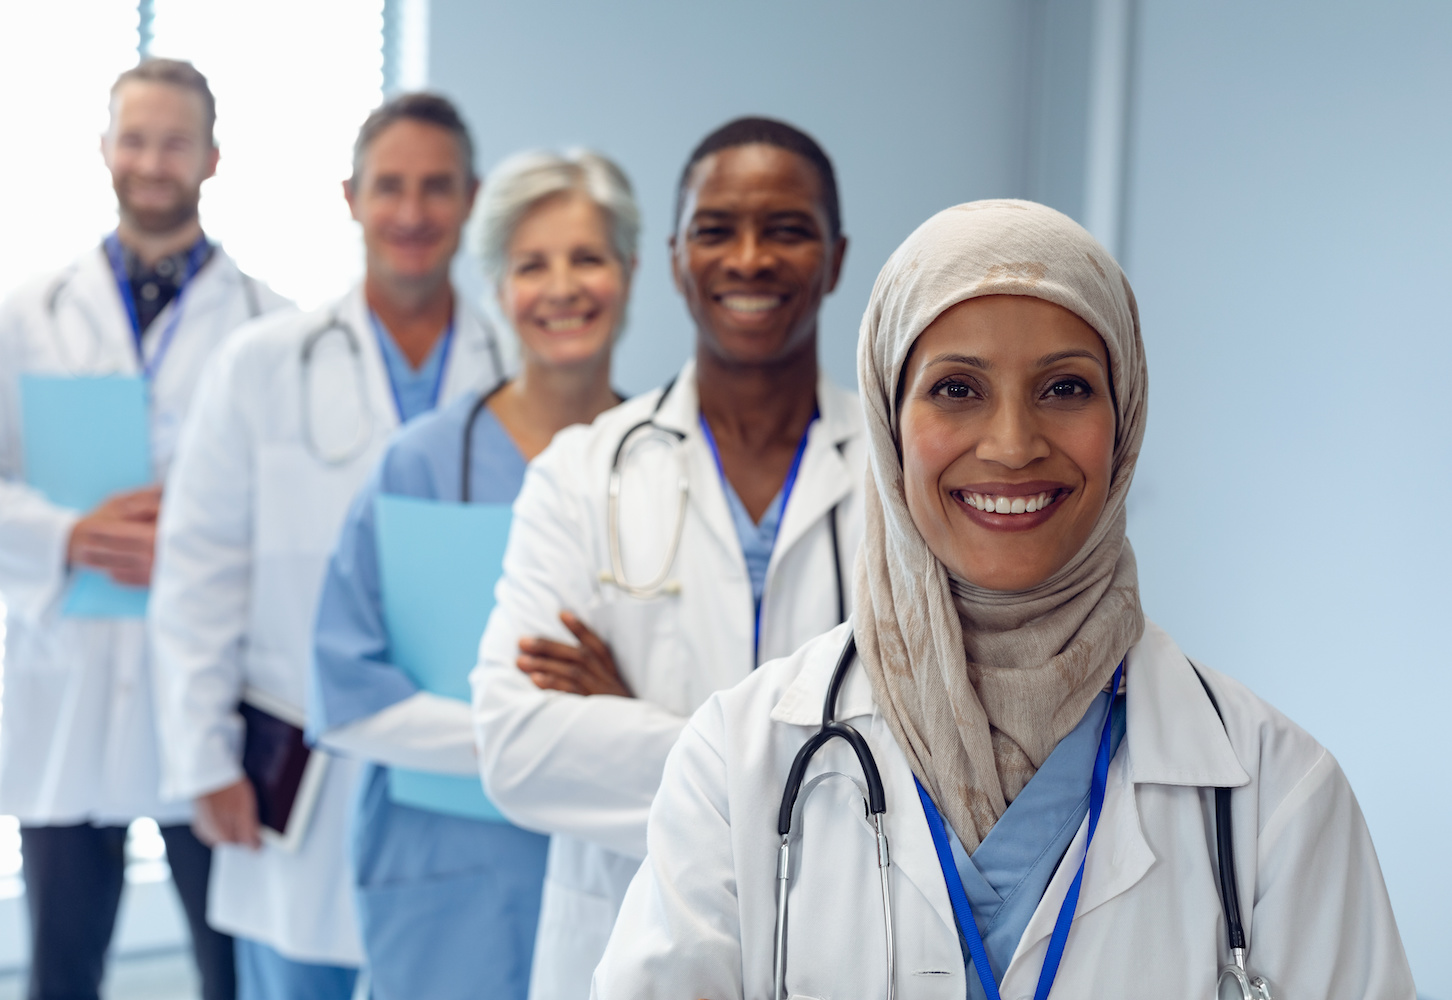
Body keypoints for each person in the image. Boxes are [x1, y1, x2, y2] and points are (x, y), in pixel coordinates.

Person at [592, 200, 1418, 1000]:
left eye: (1065, 388)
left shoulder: (1273, 794)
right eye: (957, 389)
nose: (1015, 444)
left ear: (1124, 416)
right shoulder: (739, 763)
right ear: (888, 417)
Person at [470, 117, 866, 1000]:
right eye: (717, 230)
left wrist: (642, 723)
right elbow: (517, 746)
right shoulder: (579, 474)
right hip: (622, 955)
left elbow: (948, 753)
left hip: (853, 954)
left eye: (788, 229)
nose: (751, 258)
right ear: (679, 255)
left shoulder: (901, 482)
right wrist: (812, 771)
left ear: (835, 260)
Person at [149, 92, 505, 999]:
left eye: (437, 187)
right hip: (299, 785)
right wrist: (203, 758)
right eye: (390, 186)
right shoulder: (262, 364)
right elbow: (198, 573)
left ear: (471, 198)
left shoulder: (520, 371)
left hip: (470, 780)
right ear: (351, 197)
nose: (413, 212)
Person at [0, 58, 289, 1000]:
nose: (151, 160)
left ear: (212, 158)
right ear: (104, 149)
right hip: (72, 690)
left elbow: (308, 513)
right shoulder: (28, 317)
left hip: (215, 700)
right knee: (61, 972)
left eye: (173, 141)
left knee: (234, 970)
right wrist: (65, 536)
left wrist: (205, 540)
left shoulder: (268, 328)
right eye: (133, 138)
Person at [308, 148, 637, 1000]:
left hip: (617, 870)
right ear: (497, 286)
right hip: (441, 874)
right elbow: (345, 694)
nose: (561, 286)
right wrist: (546, 735)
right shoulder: (418, 465)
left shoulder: (668, 466)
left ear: (633, 272)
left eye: (588, 258)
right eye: (532, 264)